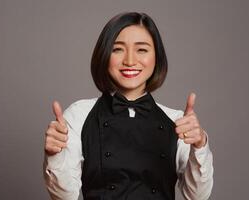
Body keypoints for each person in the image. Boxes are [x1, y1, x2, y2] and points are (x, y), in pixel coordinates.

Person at [43, 12, 213, 200]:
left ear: (157, 56)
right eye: (117, 49)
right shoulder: (78, 115)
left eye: (142, 50)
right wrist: (55, 155)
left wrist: (199, 146)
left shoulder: (177, 121)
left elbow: (198, 197)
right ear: (104, 54)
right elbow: (64, 196)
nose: (130, 61)